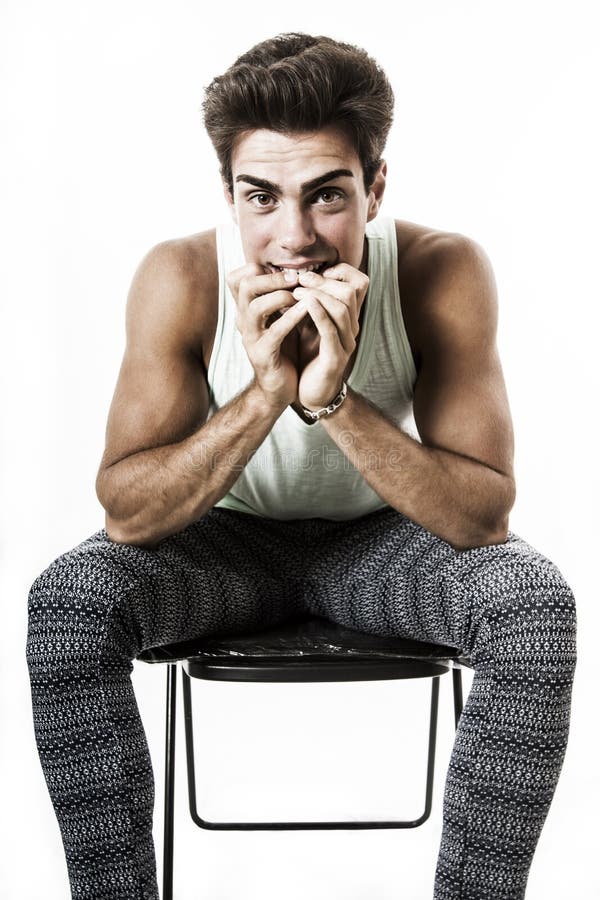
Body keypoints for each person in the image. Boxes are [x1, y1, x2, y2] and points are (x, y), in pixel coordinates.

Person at [26, 32, 577, 900]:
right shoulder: (182, 277)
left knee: (534, 603)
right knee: (67, 602)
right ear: (228, 196)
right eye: (262, 198)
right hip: (225, 549)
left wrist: (330, 401)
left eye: (327, 197)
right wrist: (263, 394)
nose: (295, 239)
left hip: (382, 550)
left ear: (376, 189)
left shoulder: (440, 270)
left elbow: (481, 519)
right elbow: (128, 516)